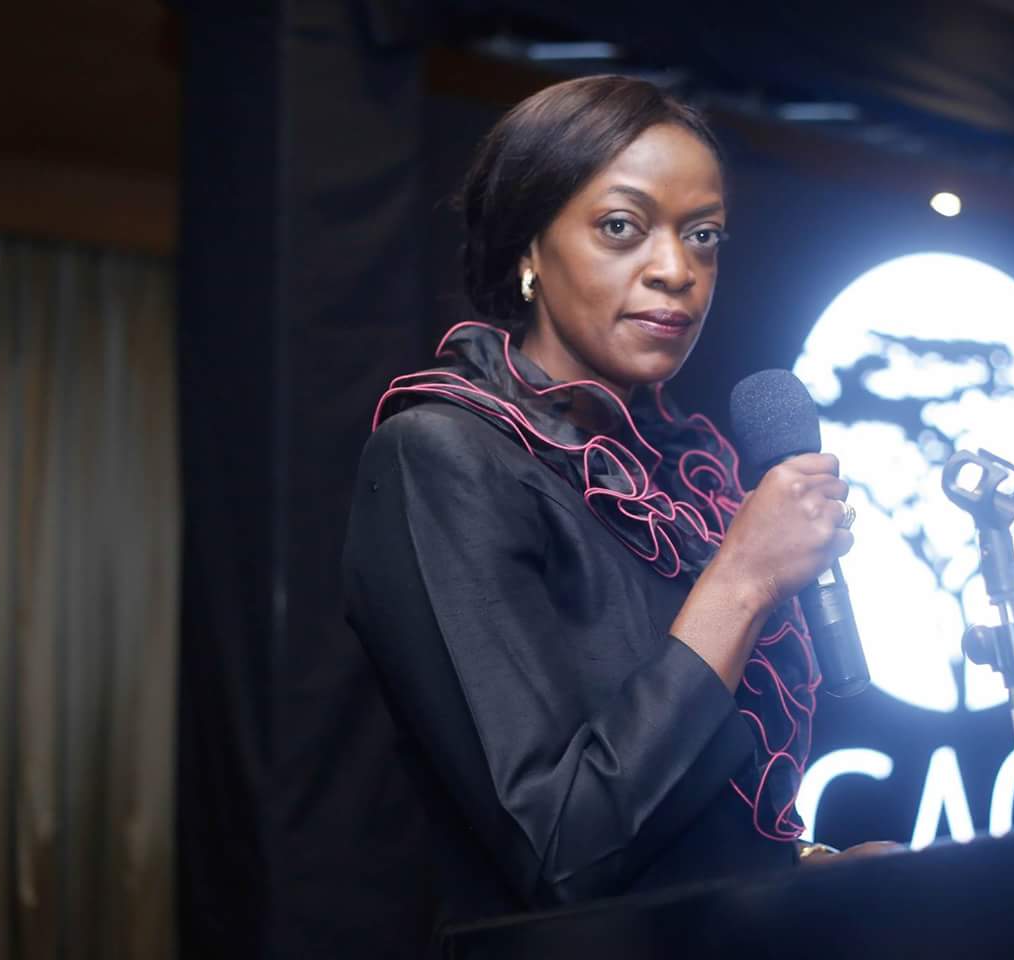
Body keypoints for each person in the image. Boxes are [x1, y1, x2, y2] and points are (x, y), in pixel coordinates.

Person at [341, 75, 896, 943]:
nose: (677, 270)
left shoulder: (683, 477)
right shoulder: (442, 457)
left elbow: (687, 810)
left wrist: (803, 869)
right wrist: (744, 579)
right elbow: (562, 848)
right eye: (621, 227)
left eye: (703, 235)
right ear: (529, 247)